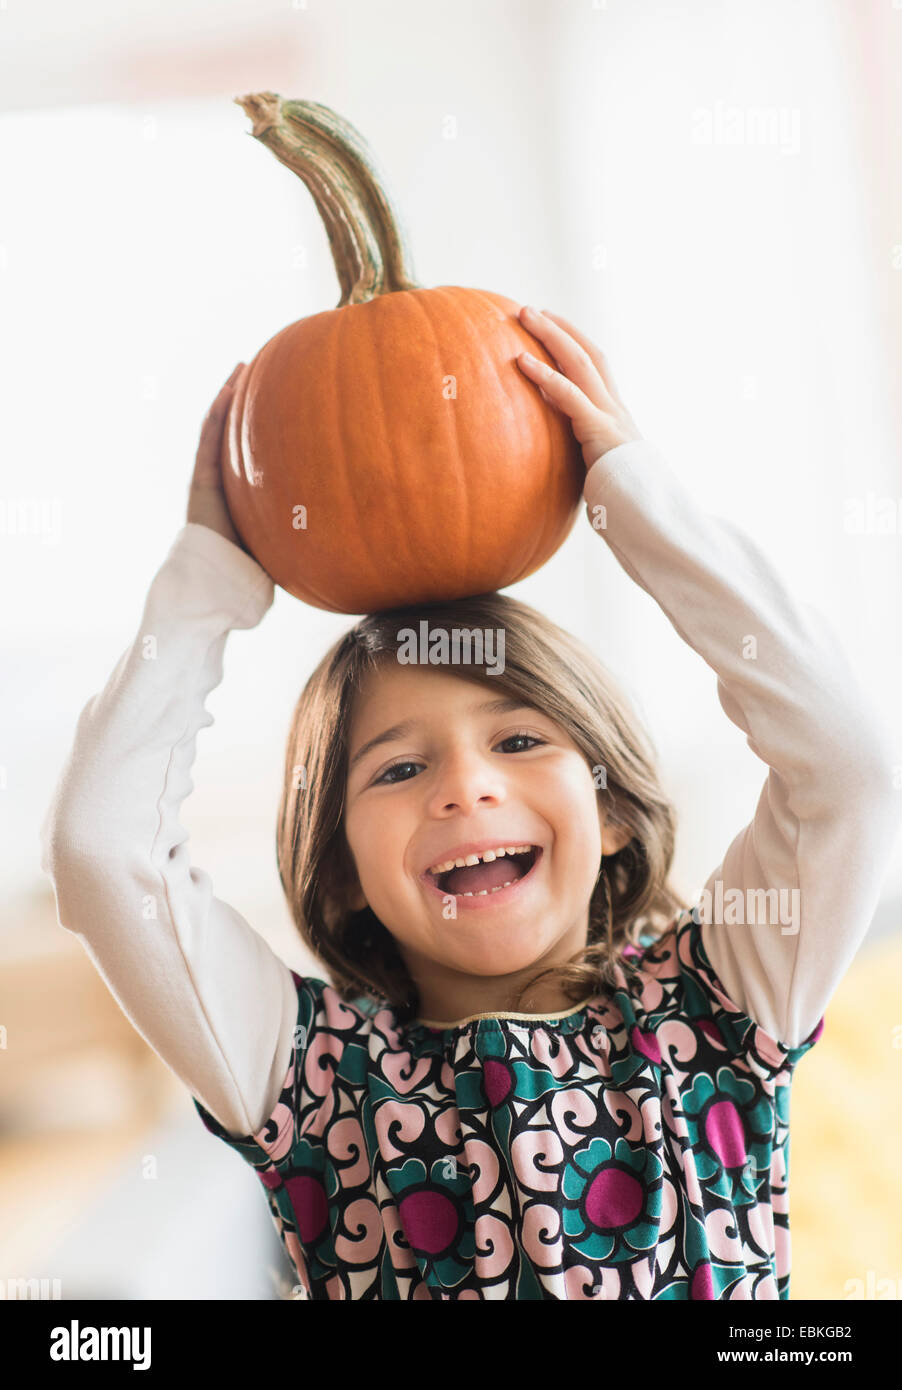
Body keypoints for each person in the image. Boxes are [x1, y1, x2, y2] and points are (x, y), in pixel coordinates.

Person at [40, 307, 900, 1300]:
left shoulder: (718, 1007)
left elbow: (848, 772)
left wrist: (629, 498)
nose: (465, 785)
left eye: (520, 740)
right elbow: (103, 849)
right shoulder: (304, 1071)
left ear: (610, 809)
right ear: (341, 873)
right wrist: (211, 572)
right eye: (398, 770)